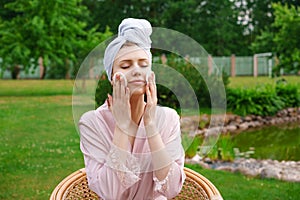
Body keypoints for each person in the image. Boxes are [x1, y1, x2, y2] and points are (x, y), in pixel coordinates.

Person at [79, 18, 185, 200]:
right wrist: (122, 127)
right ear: (112, 77)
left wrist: (150, 125)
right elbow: (110, 193)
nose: (137, 71)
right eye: (126, 65)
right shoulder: (91, 123)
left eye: (144, 64)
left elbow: (172, 189)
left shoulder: (168, 118)